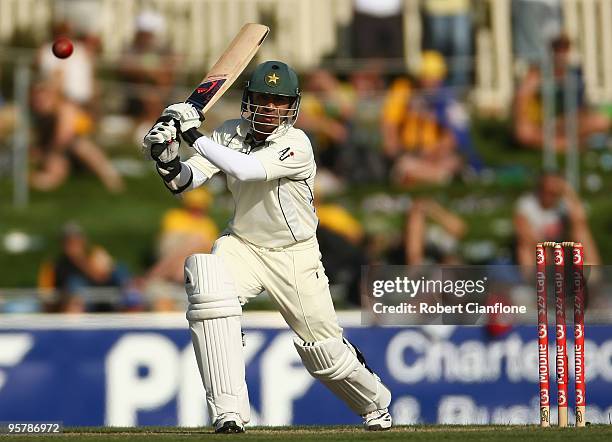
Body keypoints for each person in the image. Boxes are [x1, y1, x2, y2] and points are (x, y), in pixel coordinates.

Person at [142, 61, 392, 433]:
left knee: (324, 352)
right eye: (264, 98)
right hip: (242, 243)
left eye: (280, 101)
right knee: (208, 285)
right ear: (250, 100)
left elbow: (246, 170)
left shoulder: (297, 144)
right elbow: (185, 181)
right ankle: (228, 412)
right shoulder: (229, 134)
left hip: (295, 254)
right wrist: (166, 157)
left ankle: (375, 404)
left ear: (292, 106)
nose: (271, 108)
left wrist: (192, 131)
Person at [514, 35, 610, 151]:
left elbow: (581, 109)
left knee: (600, 122)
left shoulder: (574, 74)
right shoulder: (537, 75)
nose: (561, 53)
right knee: (525, 134)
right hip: (540, 125)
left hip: (564, 123)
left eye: (565, 49)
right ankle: (573, 144)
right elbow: (521, 103)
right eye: (558, 49)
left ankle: (566, 144)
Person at [513, 172, 601, 267]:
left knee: (581, 232)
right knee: (523, 246)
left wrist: (568, 192)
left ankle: (594, 274)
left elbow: (580, 219)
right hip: (538, 248)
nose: (550, 194)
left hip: (563, 247)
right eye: (546, 190)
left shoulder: (564, 204)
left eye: (554, 191)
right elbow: (524, 233)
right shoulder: (527, 204)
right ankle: (530, 279)